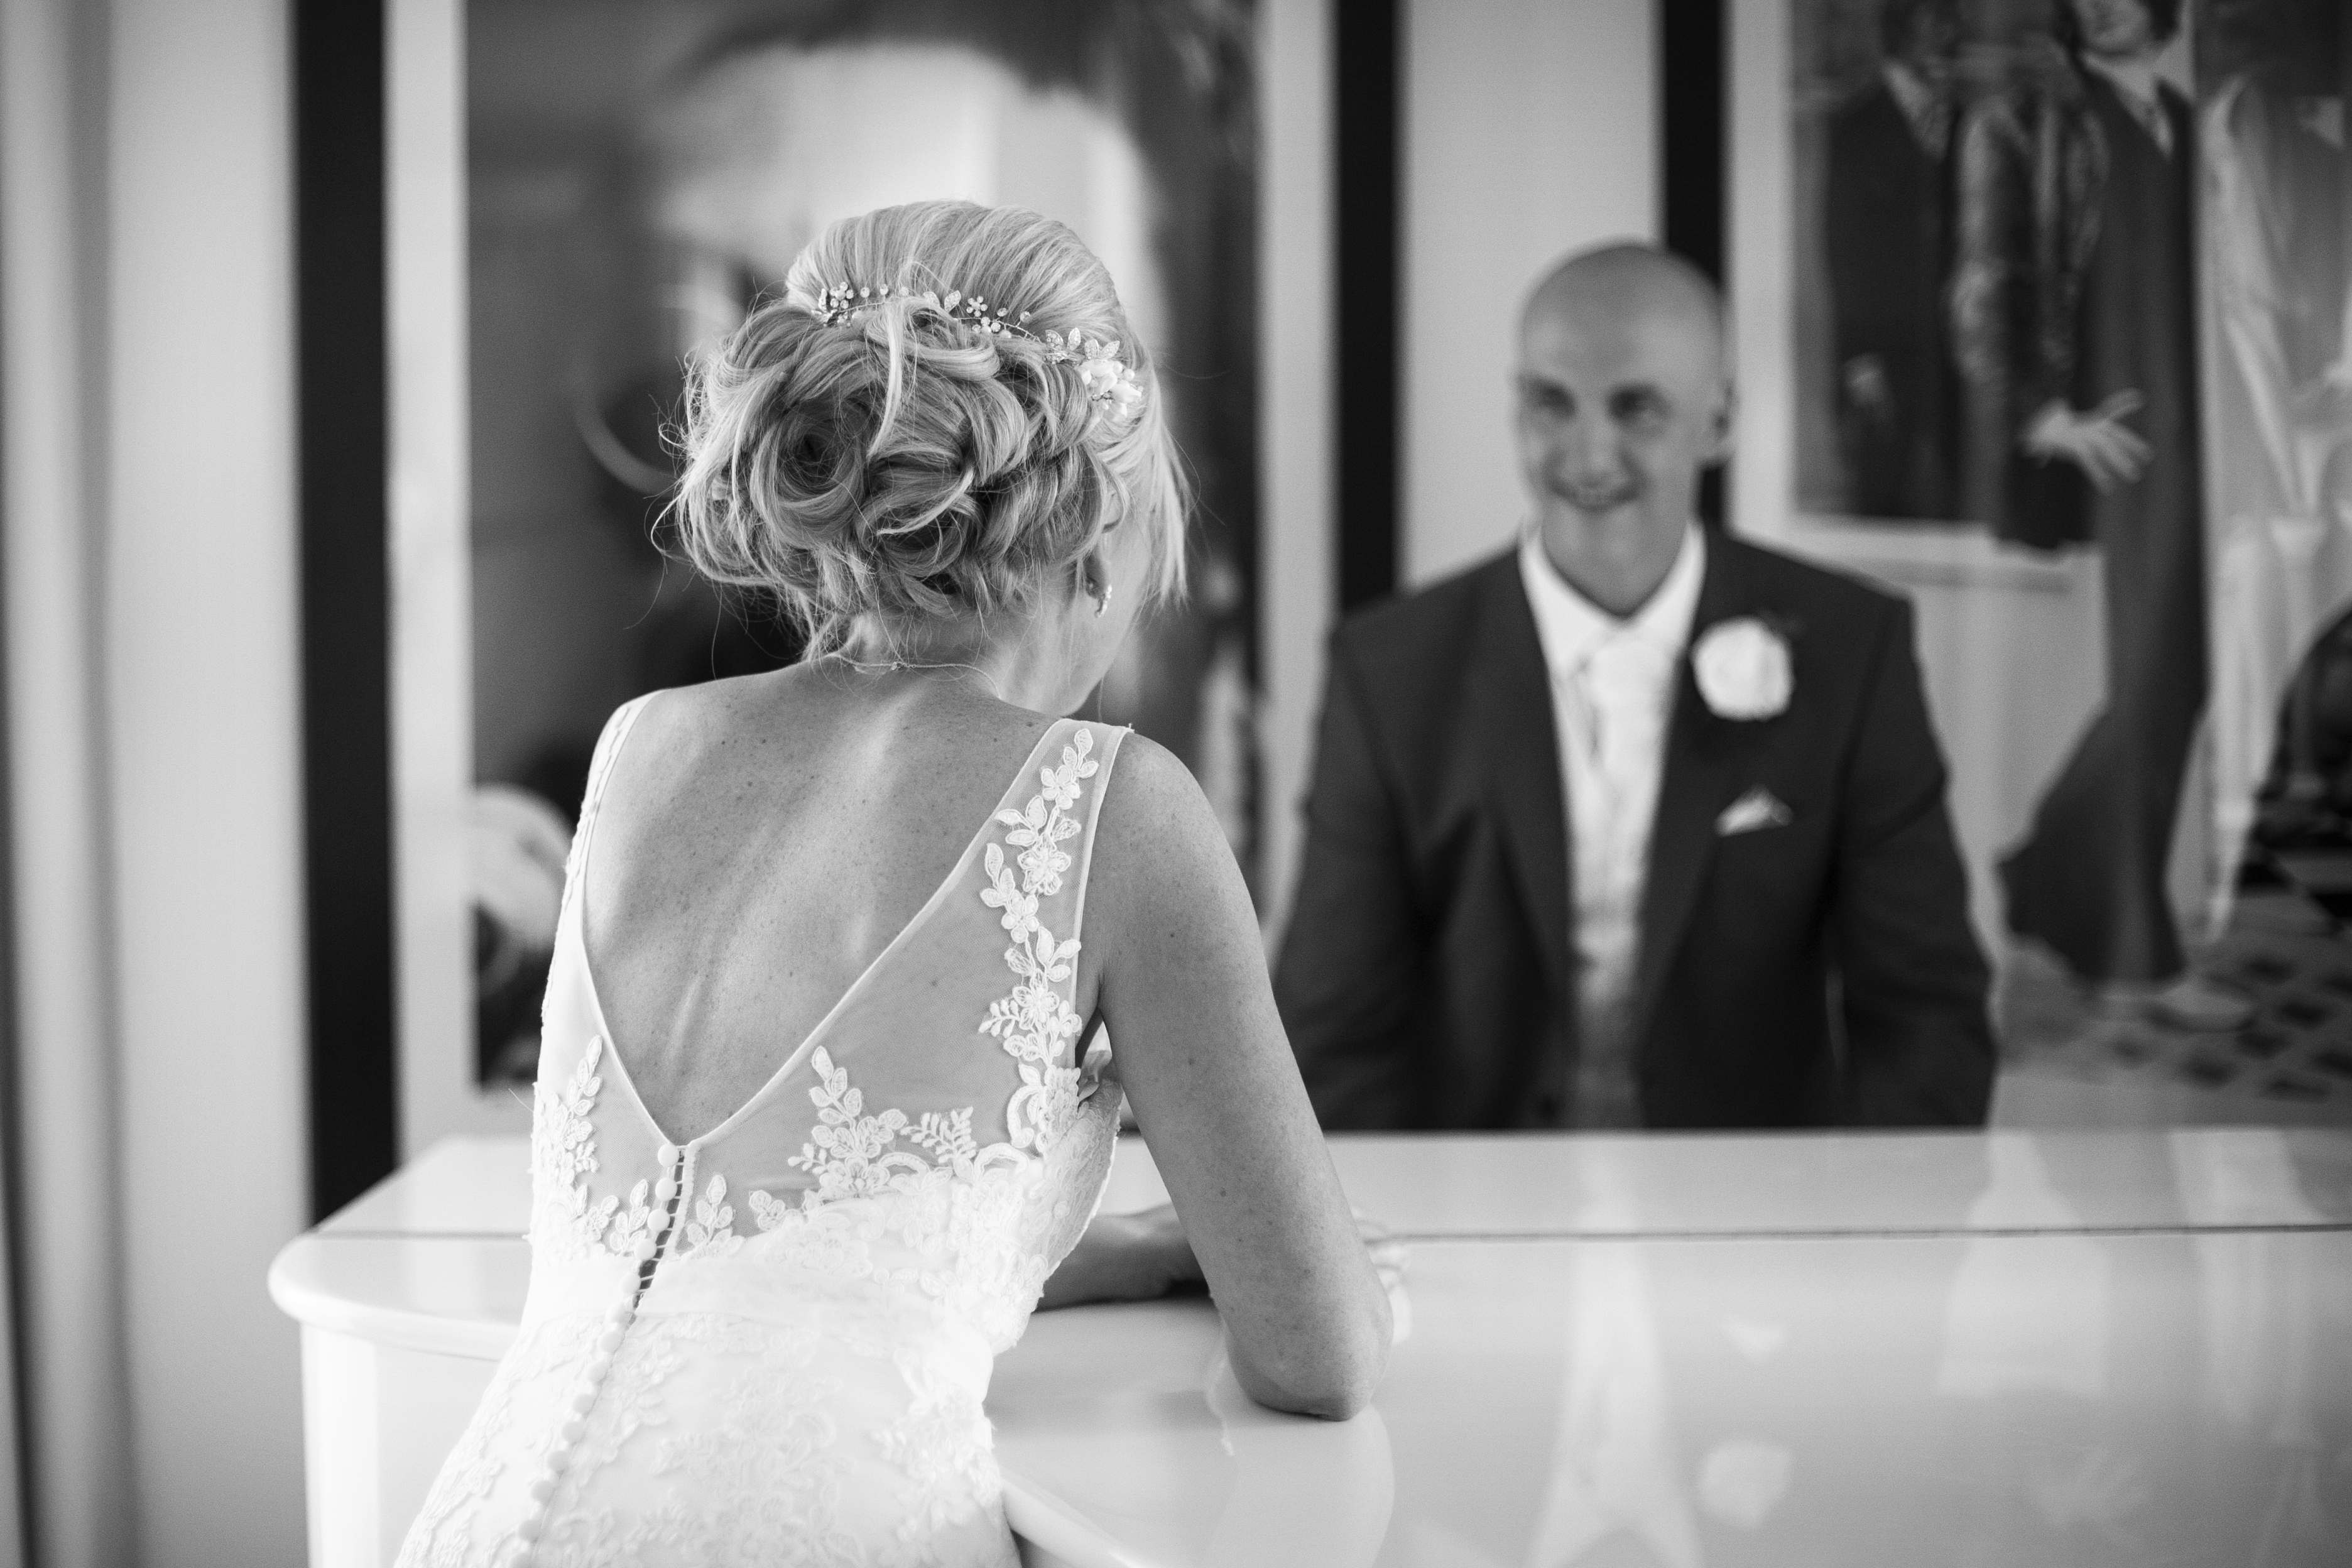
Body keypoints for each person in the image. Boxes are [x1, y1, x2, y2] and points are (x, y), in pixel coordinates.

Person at [398, 200, 1391, 1568]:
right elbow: (1319, 1355)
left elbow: (721, 1251)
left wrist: (1084, 1250)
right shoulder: (1111, 805)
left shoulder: (643, 753)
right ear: (1098, 527)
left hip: (474, 1521)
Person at [1275, 242, 1995, 1131]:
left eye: (1637, 408)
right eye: (1551, 403)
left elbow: (1926, 1016)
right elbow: (1333, 1039)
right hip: (1471, 1196)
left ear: (1720, 420)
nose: (1589, 454)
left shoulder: (1853, 649)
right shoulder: (1388, 669)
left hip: (1759, 1199)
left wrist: (1872, 1209)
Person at [1952, 0, 2250, 1028]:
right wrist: (2038, 416)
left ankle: (2043, 875)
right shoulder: (2024, 117)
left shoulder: (2187, 118)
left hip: (2208, 435)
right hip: (2123, 441)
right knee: (2153, 677)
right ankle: (2128, 952)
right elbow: (1982, 281)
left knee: (2185, 678)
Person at [1823, 0, 1966, 521]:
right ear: (1901, 33)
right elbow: (1843, 251)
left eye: (1952, 26)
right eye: (1936, 26)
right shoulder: (1857, 128)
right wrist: (1861, 359)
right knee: (1880, 499)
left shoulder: (1968, 125)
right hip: (1883, 361)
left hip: (1958, 359)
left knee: (1963, 509)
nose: (1951, 40)